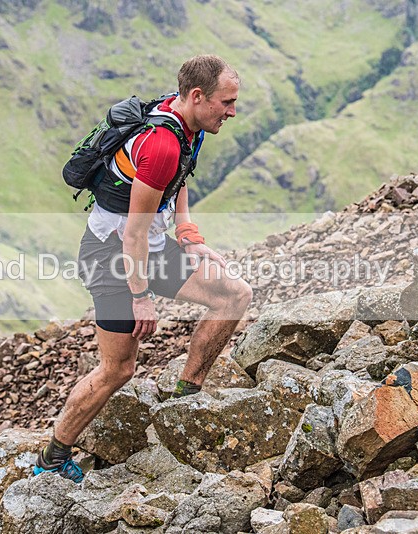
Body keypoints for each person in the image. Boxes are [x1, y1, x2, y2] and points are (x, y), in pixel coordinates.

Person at [34, 55, 253, 483]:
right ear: (197, 96)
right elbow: (132, 235)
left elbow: (181, 177)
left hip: (146, 250)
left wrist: (188, 234)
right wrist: (141, 297)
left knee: (234, 295)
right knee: (118, 369)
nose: (232, 111)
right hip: (111, 256)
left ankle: (183, 401)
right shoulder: (161, 144)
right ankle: (52, 460)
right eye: (226, 102)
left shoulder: (186, 123)